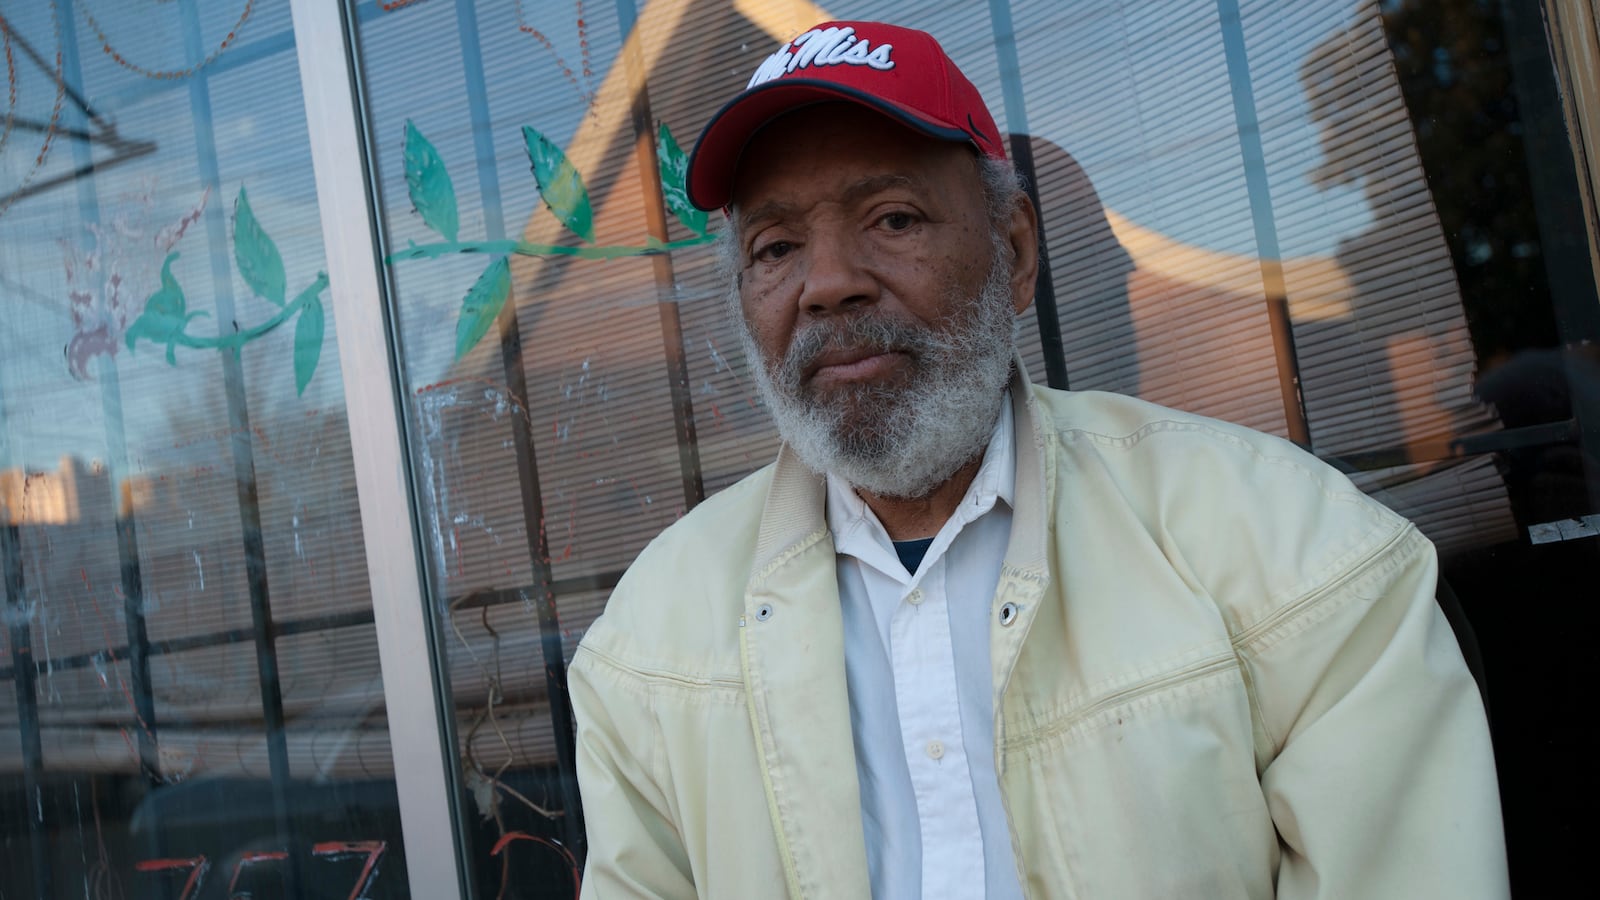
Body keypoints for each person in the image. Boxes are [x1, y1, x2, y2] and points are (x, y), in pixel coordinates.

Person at [568, 20, 1507, 899]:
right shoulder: (648, 648)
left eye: (892, 219)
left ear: (1014, 254)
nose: (828, 284)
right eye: (776, 247)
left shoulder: (1292, 552)